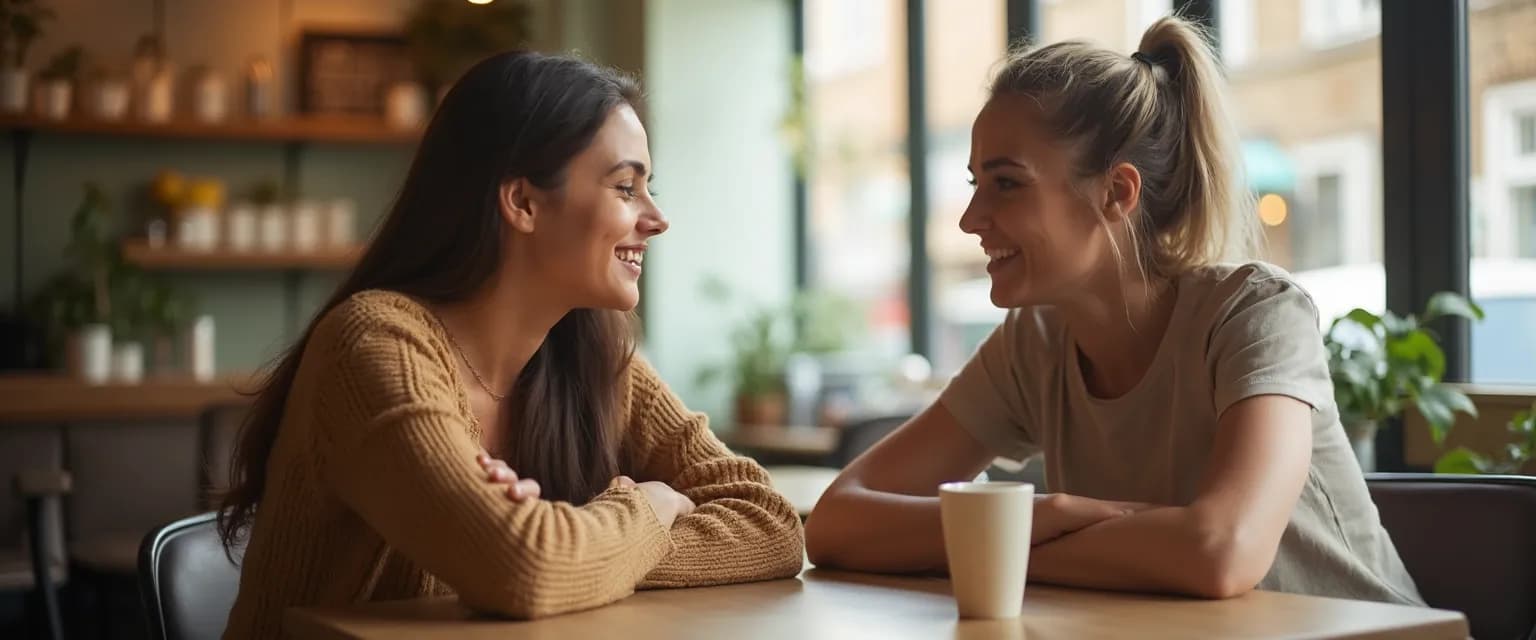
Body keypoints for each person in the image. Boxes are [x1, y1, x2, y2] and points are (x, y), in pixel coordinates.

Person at [804, 16, 1423, 605]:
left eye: (1007, 183)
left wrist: (998, 546)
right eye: (975, 185)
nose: (970, 220)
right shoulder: (1034, 344)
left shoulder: (1256, 313)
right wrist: (1049, 515)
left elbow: (1221, 549)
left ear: (1116, 193)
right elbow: (837, 524)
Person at [219, 51, 804, 638]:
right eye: (625, 187)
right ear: (522, 202)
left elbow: (771, 526)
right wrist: (649, 507)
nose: (656, 218)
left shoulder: (593, 355)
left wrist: (575, 546)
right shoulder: (374, 344)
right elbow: (525, 569)